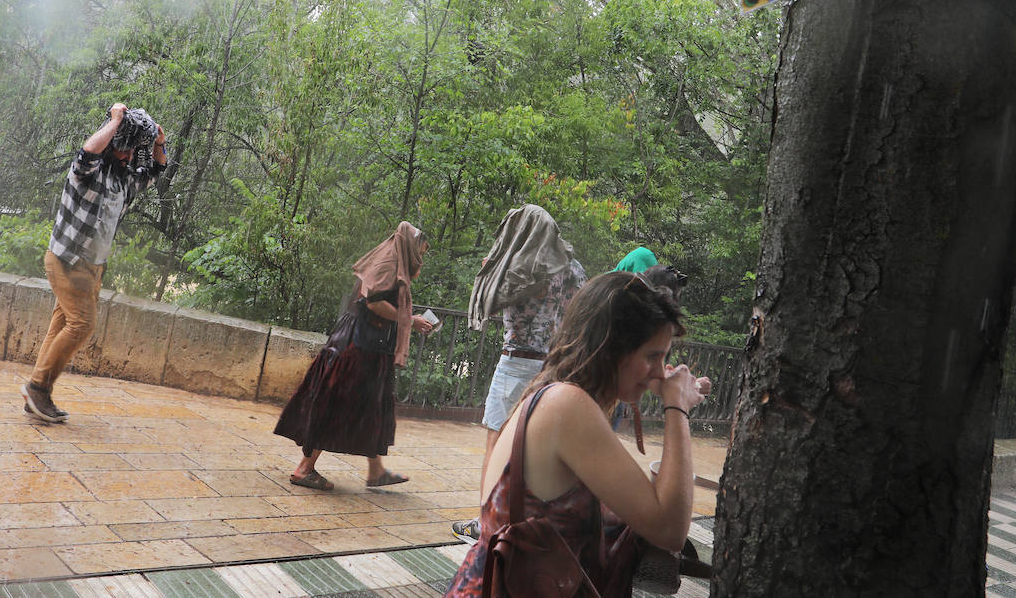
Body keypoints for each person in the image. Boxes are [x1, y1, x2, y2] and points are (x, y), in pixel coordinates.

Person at [443, 271, 712, 597]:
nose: (659, 371)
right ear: (612, 348)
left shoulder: (554, 394)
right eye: (652, 356)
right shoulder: (567, 406)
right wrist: (677, 407)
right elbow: (670, 529)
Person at [20, 102, 168, 422]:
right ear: (116, 143)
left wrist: (159, 144)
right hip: (67, 259)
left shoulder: (122, 181)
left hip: (93, 268)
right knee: (82, 325)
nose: (128, 157)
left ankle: (37, 390)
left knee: (61, 324)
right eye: (125, 149)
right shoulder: (87, 172)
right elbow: (89, 151)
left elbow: (155, 171)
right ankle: (37, 388)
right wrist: (116, 121)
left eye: (132, 151)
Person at [452, 204, 587, 542]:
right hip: (552, 369)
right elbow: (580, 312)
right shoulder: (572, 269)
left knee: (497, 444)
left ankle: (486, 524)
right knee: (535, 450)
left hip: (515, 365)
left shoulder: (516, 268)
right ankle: (525, 522)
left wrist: (488, 271)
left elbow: (487, 298)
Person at [274, 221, 435, 491]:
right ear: (410, 245)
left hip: (370, 346)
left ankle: (376, 471)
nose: (423, 256)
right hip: (360, 348)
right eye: (422, 250)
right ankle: (304, 468)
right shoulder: (388, 262)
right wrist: (410, 319)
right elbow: (373, 303)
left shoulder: (392, 260)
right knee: (339, 404)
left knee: (373, 408)